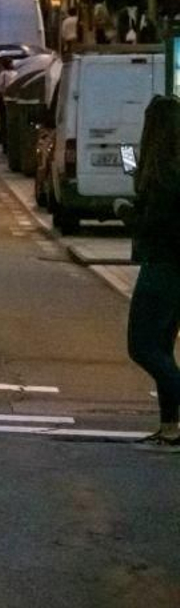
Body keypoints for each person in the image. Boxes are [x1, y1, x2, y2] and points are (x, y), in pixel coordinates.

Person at [117, 97, 180, 449]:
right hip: (174, 267)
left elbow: (154, 225)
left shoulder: (162, 174)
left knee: (142, 347)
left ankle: (172, 425)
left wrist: (127, 212)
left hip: (161, 266)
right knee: (162, 349)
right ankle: (170, 428)